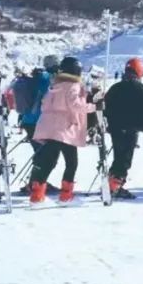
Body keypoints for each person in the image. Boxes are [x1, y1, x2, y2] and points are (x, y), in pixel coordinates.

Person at [28, 57, 92, 204]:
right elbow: (75, 106)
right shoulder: (73, 86)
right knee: (71, 162)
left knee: (48, 162)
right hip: (66, 131)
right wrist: (93, 107)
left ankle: (36, 196)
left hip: (50, 131)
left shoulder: (54, 86)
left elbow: (44, 106)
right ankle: (66, 196)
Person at [102, 57, 143, 199]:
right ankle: (115, 186)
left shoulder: (115, 87)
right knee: (125, 158)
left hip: (115, 127)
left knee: (118, 156)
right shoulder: (138, 87)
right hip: (130, 127)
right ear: (139, 71)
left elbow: (106, 107)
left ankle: (111, 183)